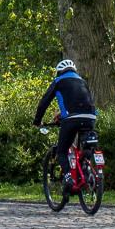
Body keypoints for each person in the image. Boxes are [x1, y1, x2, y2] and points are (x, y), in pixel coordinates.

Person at [33, 59, 97, 195]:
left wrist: (37, 121)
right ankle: (86, 170)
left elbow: (44, 102)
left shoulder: (58, 81)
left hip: (71, 119)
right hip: (91, 117)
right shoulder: (82, 81)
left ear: (59, 72)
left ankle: (68, 177)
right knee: (85, 147)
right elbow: (80, 103)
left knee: (62, 150)